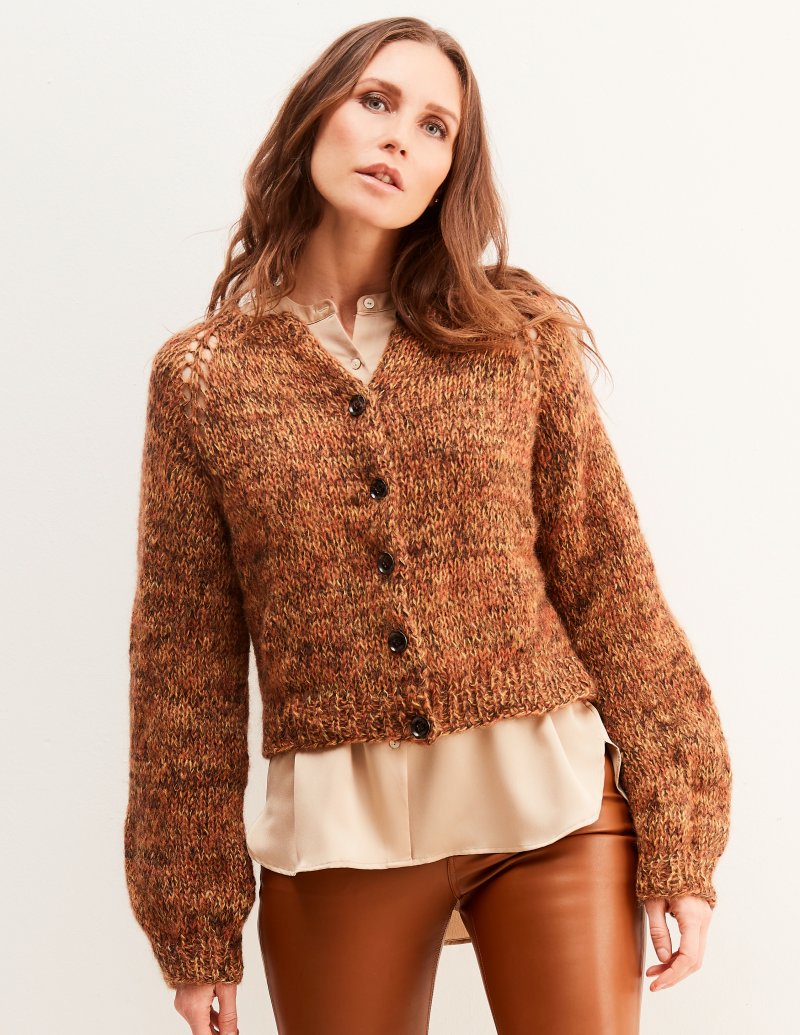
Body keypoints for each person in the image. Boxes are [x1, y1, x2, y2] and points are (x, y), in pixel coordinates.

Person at [124, 16, 733, 1035]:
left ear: (451, 170)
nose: (398, 138)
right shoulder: (204, 379)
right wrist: (193, 924)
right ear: (314, 115)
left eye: (434, 126)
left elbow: (608, 579)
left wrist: (683, 832)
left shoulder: (513, 339)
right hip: (335, 836)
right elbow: (183, 663)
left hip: (550, 807)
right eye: (376, 101)